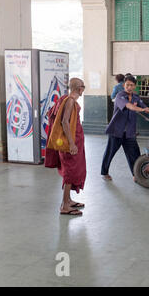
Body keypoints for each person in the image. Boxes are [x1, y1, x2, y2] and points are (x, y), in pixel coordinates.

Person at [101, 75, 149, 181]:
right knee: (110, 152)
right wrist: (142, 110)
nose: (129, 87)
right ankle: (104, 172)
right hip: (116, 131)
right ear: (123, 85)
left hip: (130, 132)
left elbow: (145, 108)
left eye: (131, 85)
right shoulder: (120, 96)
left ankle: (136, 174)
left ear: (135, 86)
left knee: (134, 154)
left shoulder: (136, 97)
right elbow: (129, 106)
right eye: (127, 85)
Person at [46, 78, 86, 216]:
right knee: (69, 172)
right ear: (79, 88)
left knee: (73, 170)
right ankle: (64, 205)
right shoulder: (69, 101)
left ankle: (68, 200)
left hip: (75, 141)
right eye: (83, 87)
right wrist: (71, 143)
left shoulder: (70, 100)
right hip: (70, 144)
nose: (83, 90)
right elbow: (64, 122)